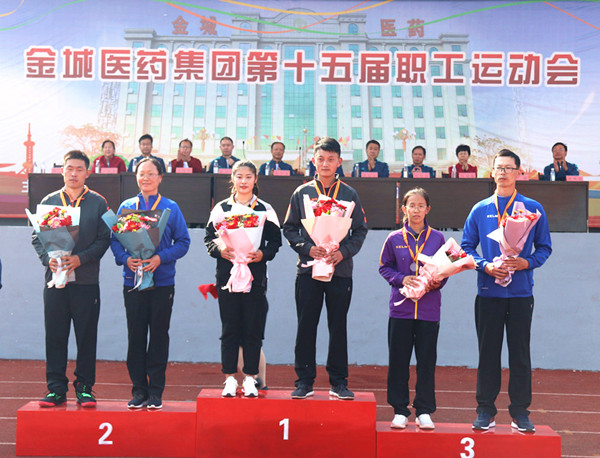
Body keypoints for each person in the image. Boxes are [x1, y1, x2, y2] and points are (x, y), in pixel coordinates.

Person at [461, 149, 552, 433]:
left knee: (520, 355)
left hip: (521, 293)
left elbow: (544, 247)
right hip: (488, 293)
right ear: (492, 172)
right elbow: (465, 247)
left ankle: (520, 412)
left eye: (508, 168)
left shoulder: (532, 208)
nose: (502, 172)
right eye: (498, 168)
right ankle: (485, 411)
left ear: (518, 173)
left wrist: (527, 262)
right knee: (488, 354)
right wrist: (485, 266)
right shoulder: (480, 209)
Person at [283, 137, 368, 400]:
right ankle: (304, 381)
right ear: (314, 161)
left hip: (339, 271)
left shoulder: (349, 194)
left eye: (331, 159)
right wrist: (308, 248)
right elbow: (290, 228)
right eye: (321, 159)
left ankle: (338, 383)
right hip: (308, 270)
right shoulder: (302, 193)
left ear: (339, 162)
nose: (325, 164)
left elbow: (360, 230)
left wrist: (342, 252)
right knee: (305, 326)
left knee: (337, 326)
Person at [31, 150, 111, 408]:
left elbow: (104, 239)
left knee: (86, 336)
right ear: (62, 171)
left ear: (87, 173)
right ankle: (55, 389)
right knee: (55, 335)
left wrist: (81, 258)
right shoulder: (49, 201)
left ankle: (85, 388)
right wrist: (48, 259)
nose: (73, 173)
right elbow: (37, 237)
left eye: (79, 169)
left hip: (86, 281)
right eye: (69, 168)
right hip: (55, 280)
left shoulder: (98, 202)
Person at [110, 157, 190, 410]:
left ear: (160, 177)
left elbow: (183, 242)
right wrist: (125, 259)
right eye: (141, 174)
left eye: (151, 174)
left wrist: (159, 258)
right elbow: (115, 240)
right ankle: (138, 390)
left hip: (162, 282)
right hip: (133, 281)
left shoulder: (170, 207)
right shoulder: (126, 207)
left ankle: (155, 392)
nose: (145, 178)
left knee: (158, 336)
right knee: (135, 336)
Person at [205, 160, 281, 397]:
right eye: (239, 176)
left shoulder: (265, 209)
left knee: (252, 329)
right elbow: (209, 239)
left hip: (254, 278)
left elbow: (275, 242)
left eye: (248, 177)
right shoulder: (221, 209)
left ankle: (250, 378)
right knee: (229, 329)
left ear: (255, 179)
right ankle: (229, 378)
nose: (244, 181)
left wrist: (262, 254)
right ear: (232, 179)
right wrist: (220, 250)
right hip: (227, 278)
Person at [379, 187, 446, 430]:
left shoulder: (438, 239)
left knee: (426, 361)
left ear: (428, 209)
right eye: (412, 206)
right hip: (401, 310)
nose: (416, 210)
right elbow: (384, 267)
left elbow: (446, 269)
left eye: (420, 206)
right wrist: (401, 279)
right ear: (404, 209)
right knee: (398, 360)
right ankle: (399, 410)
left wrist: (437, 282)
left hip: (429, 309)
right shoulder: (394, 238)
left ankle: (424, 410)